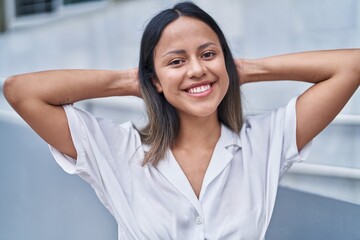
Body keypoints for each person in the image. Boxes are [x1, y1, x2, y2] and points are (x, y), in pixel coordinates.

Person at [3, 1, 359, 239]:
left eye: (208, 54)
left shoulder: (265, 142)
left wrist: (245, 70)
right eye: (176, 61)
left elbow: (351, 66)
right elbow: (21, 91)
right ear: (154, 78)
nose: (196, 69)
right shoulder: (116, 150)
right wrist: (133, 81)